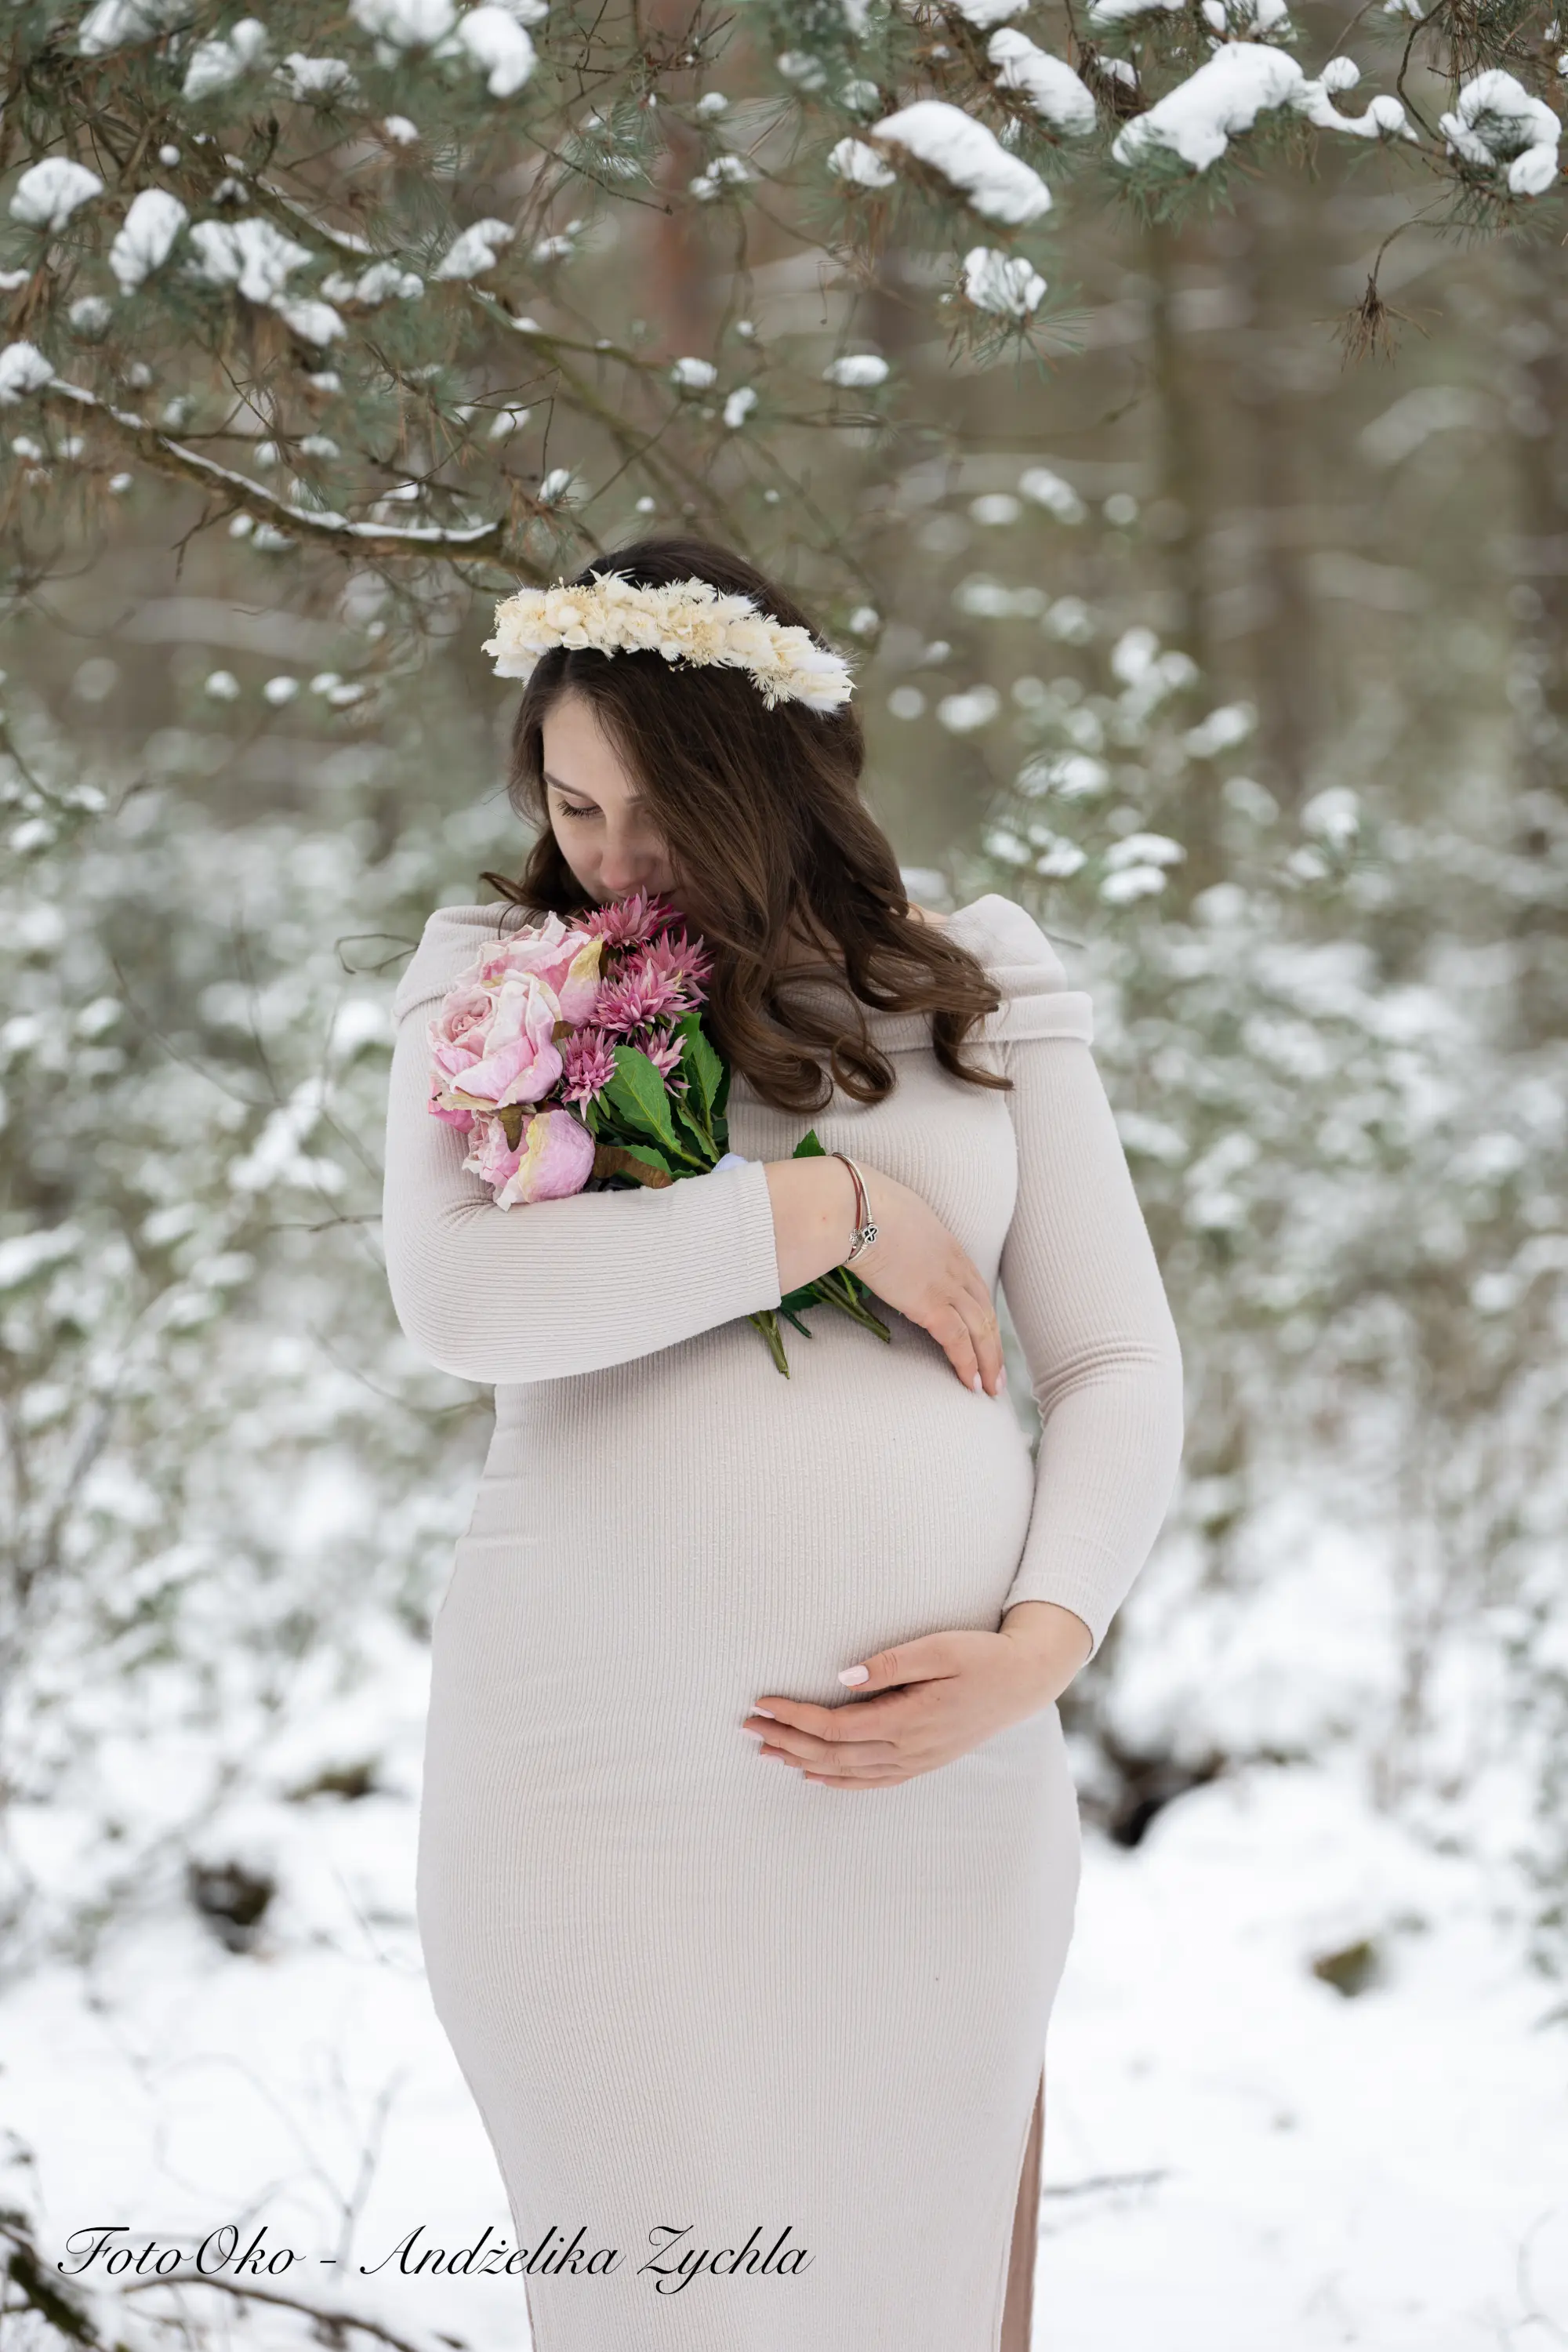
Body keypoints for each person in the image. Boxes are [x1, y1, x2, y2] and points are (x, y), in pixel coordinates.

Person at [381, 535, 1185, 2352]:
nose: (609, 856)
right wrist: (814, 1214)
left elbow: (1120, 1359)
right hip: (589, 1797)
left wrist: (1042, 1647)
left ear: (778, 782)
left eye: (657, 810)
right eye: (572, 803)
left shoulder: (965, 985)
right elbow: (463, 1304)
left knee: (907, 2299)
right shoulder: (505, 981)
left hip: (933, 1793)